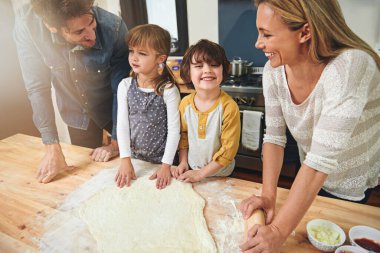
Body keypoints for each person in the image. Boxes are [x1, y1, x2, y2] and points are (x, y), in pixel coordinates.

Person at [239, 0, 380, 252]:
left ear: (305, 32)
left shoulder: (350, 66)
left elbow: (321, 162)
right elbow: (274, 137)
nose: (258, 44)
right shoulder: (274, 71)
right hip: (310, 170)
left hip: (351, 177)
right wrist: (268, 196)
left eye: (266, 34)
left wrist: (277, 231)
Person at [13, 0, 130, 184]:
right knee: (88, 178)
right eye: (79, 32)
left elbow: (120, 90)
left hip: (112, 106)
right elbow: (37, 87)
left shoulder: (113, 27)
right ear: (52, 27)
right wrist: (52, 147)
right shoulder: (27, 24)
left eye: (91, 23)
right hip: (76, 112)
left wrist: (115, 144)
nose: (91, 36)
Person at [114, 24, 181, 190]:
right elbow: (122, 125)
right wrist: (125, 159)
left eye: (142, 53)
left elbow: (174, 131)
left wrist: (166, 165)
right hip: (136, 160)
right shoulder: (125, 86)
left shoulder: (168, 90)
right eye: (131, 51)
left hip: (163, 161)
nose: (134, 58)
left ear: (160, 58)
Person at [171, 39, 241, 183]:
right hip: (191, 170)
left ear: (224, 69)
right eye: (198, 66)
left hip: (222, 175)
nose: (207, 70)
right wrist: (183, 162)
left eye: (214, 65)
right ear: (188, 72)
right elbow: (183, 136)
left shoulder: (229, 107)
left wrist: (201, 174)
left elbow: (229, 151)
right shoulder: (185, 104)